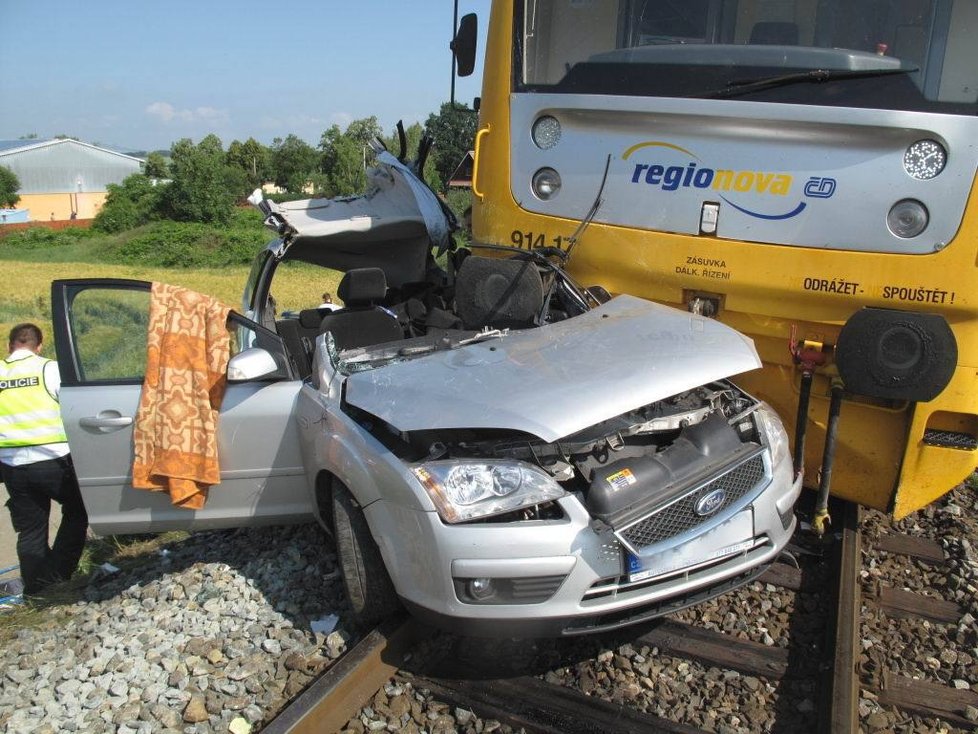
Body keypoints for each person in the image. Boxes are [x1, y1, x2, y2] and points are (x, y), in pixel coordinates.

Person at [0, 323, 88, 596]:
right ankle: (57, 574)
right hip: (52, 460)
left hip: (12, 465)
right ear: (39, 346)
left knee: (31, 529)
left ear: (9, 345)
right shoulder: (48, 368)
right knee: (79, 510)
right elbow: (73, 407)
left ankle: (36, 588)